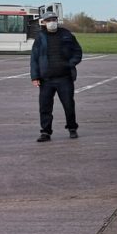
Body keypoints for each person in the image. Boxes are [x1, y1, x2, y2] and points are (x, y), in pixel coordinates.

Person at [30, 10, 83, 142]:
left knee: (69, 105)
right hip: (46, 80)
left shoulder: (66, 34)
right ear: (44, 23)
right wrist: (35, 76)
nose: (51, 22)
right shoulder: (40, 37)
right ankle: (45, 132)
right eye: (48, 20)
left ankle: (72, 128)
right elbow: (34, 58)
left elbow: (78, 51)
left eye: (53, 19)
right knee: (45, 107)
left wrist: (70, 63)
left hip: (64, 78)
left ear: (57, 21)